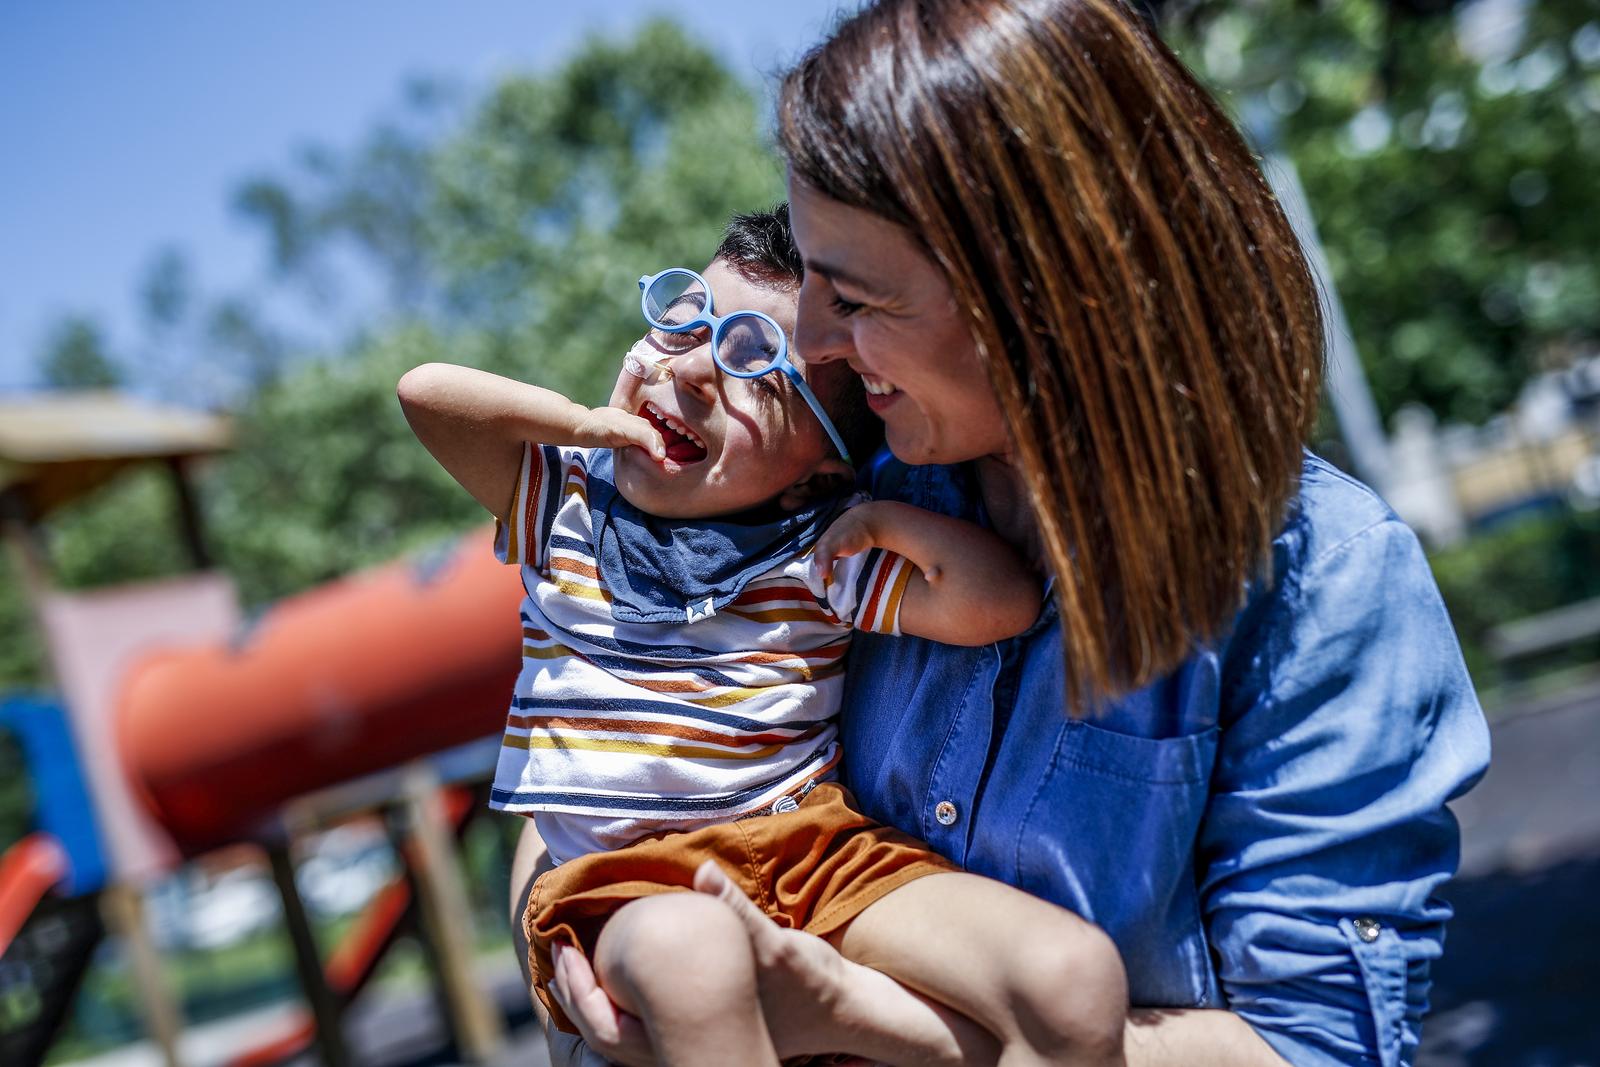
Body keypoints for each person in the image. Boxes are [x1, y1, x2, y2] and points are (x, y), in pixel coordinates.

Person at [536, 2, 1493, 1066]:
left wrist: (862, 1018)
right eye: (809, 277)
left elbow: (1317, 1048)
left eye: (853, 297)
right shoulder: (834, 500)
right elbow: (610, 741)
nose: (814, 341)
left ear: (1037, 297)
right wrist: (579, 940)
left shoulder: (1319, 579)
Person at [402, 207, 1140, 1066]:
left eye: (757, 366)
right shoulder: (566, 506)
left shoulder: (817, 552)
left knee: (1070, 976)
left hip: (811, 849)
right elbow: (426, 394)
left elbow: (1002, 603)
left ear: (816, 474)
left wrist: (882, 519)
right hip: (629, 880)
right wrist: (578, 422)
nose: (696, 371)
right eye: (683, 324)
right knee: (693, 959)